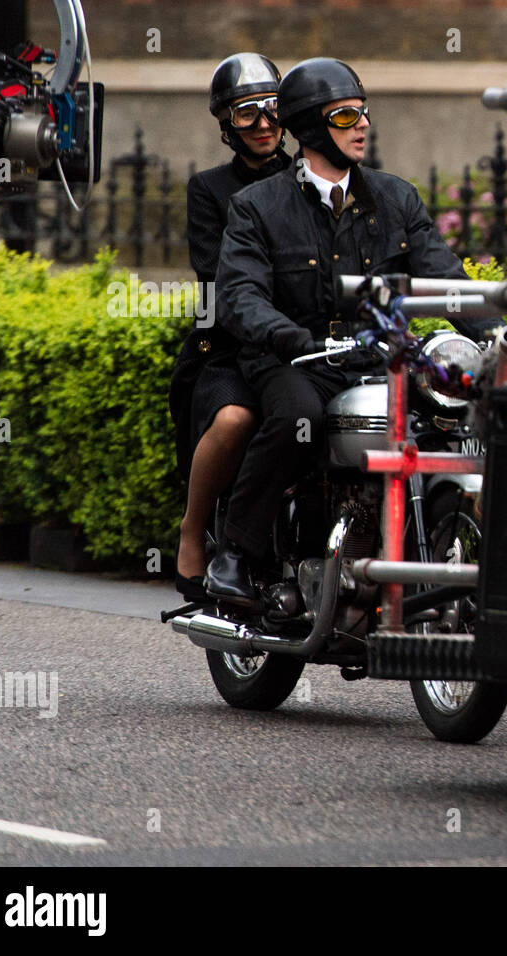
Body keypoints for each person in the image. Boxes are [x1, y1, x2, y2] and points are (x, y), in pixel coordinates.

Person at [206, 57, 499, 599]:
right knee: (301, 416)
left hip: (375, 356)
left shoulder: (397, 198)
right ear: (313, 127)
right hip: (297, 360)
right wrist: (290, 335)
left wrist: (500, 334)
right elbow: (239, 297)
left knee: (447, 412)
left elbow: (448, 280)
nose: (363, 125)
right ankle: (235, 554)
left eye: (363, 113)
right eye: (346, 117)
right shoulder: (257, 207)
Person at [169, 52, 291, 601]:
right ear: (227, 123)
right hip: (231, 347)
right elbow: (217, 278)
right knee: (236, 418)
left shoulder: (311, 176)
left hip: (303, 348)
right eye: (247, 113)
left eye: (272, 109)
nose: (263, 124)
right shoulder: (210, 189)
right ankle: (193, 533)